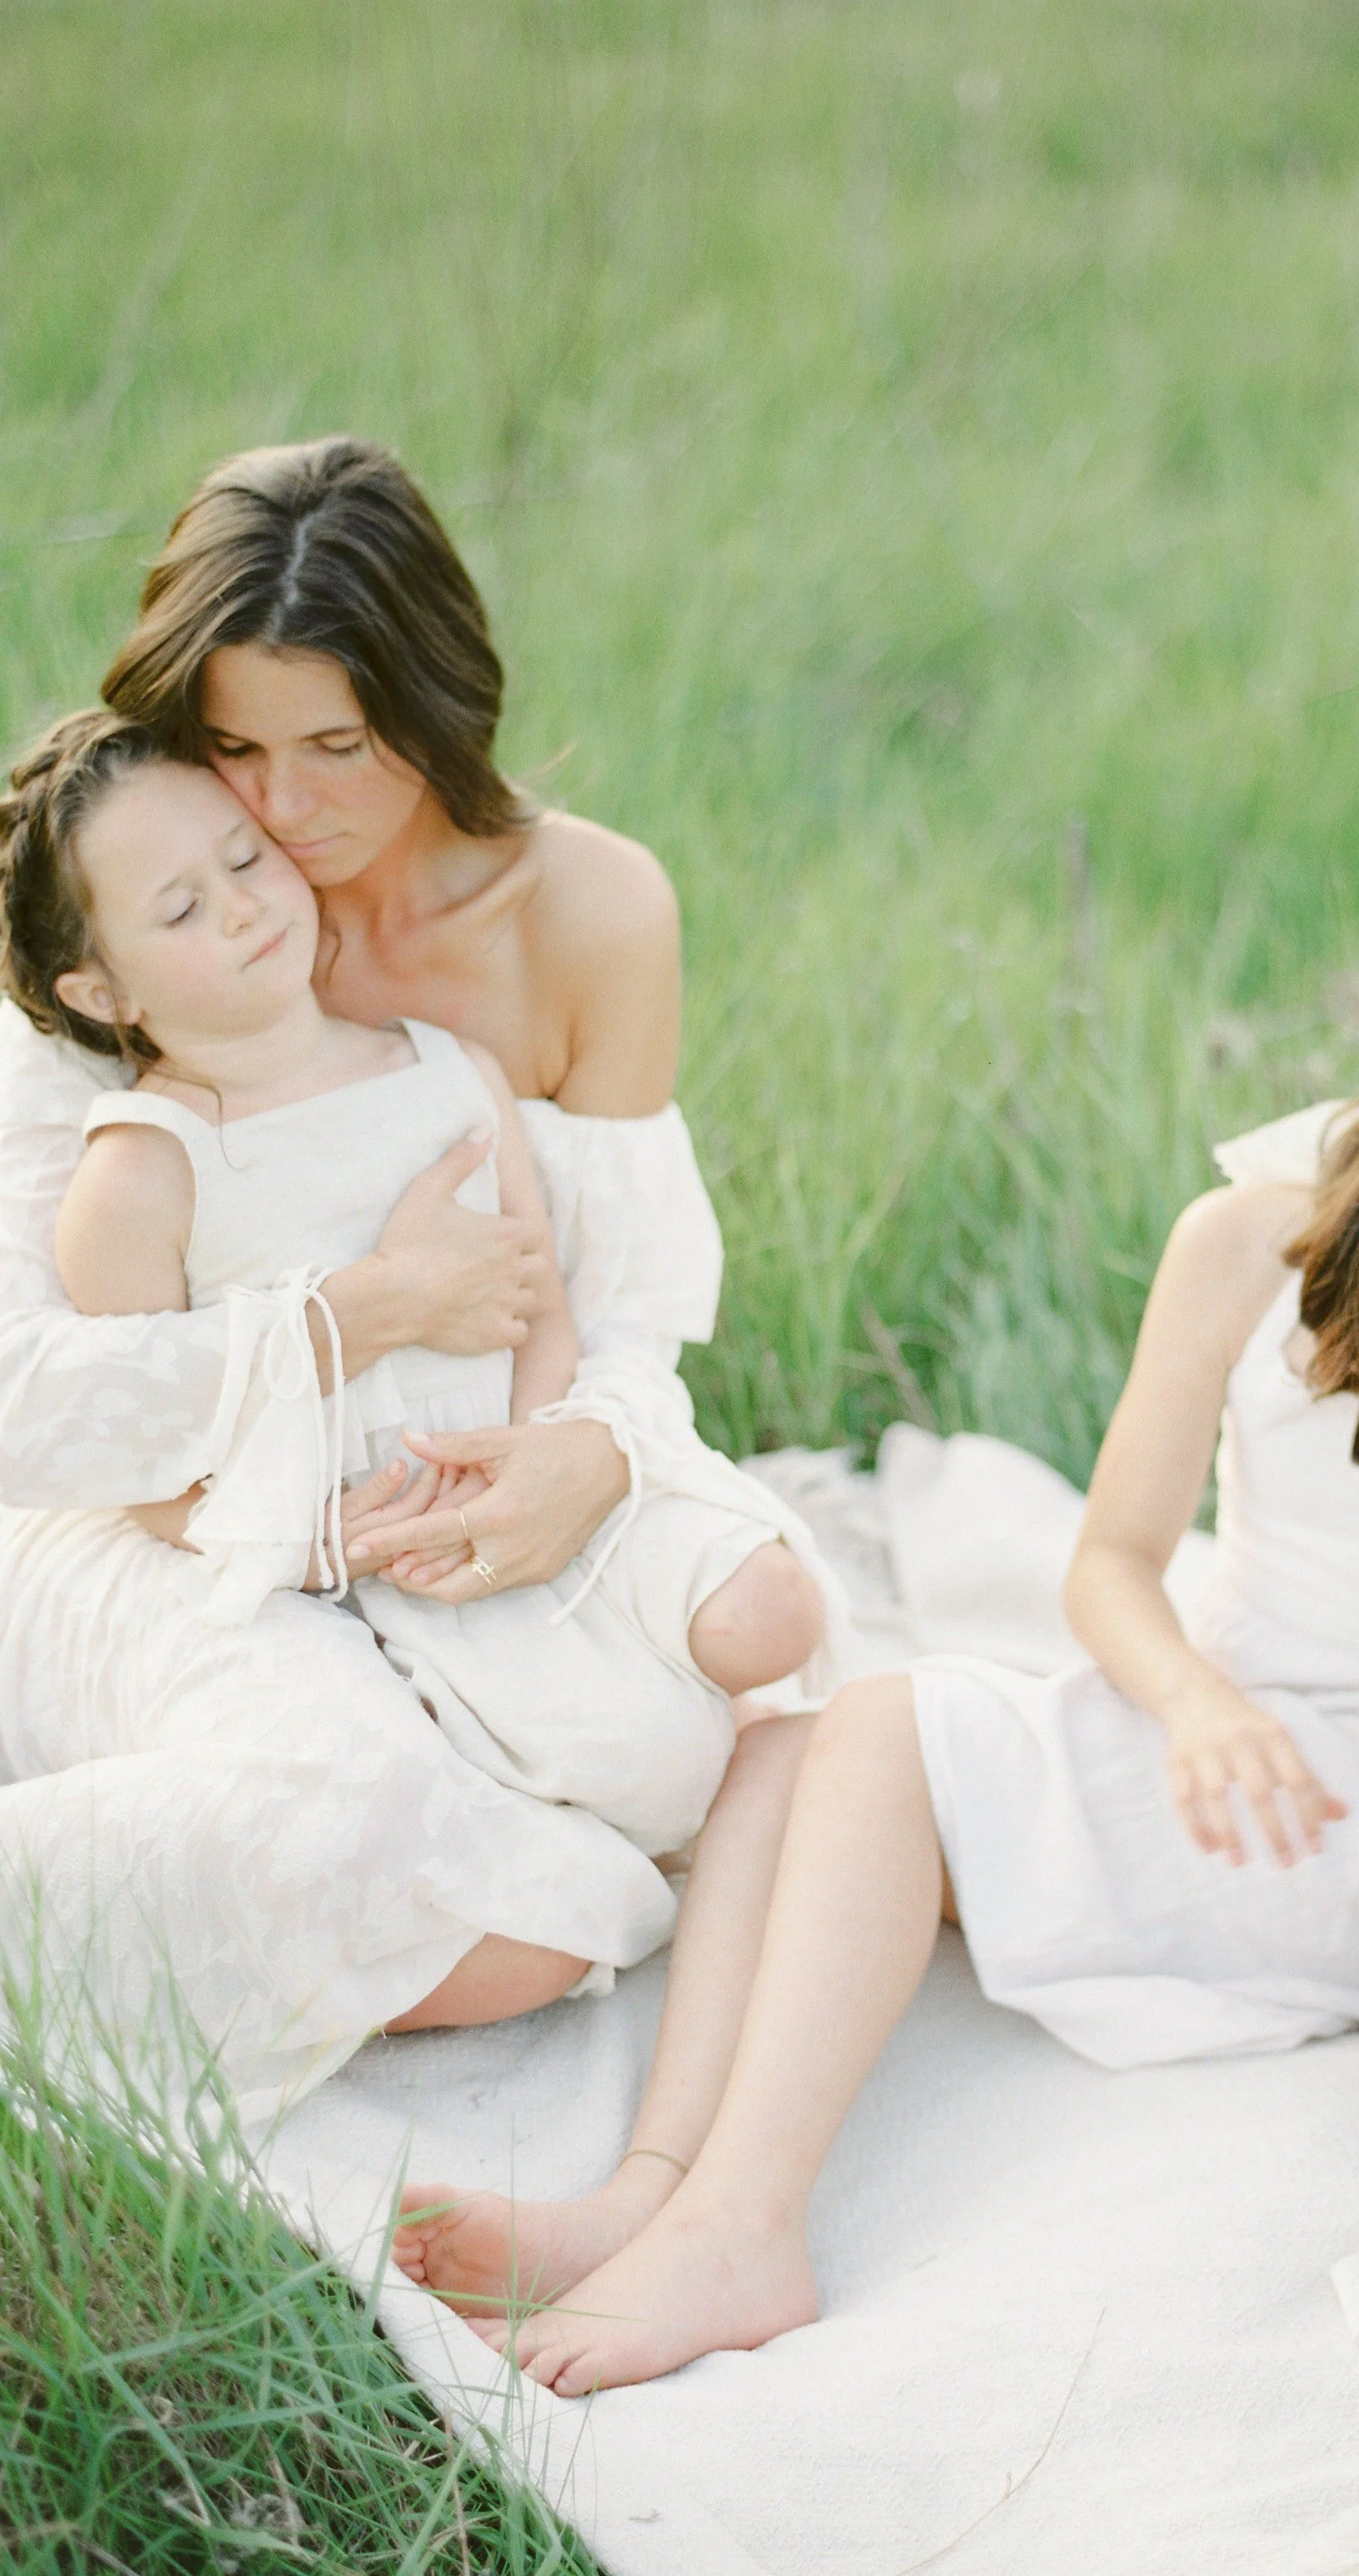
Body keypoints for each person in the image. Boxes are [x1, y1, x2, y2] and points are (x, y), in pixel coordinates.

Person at [394, 1025, 1359, 2394]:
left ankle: (749, 2226)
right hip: (1232, 1740)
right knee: (784, 1759)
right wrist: (1193, 1700)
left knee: (879, 1732)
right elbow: (1111, 1567)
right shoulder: (1244, 1252)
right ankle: (657, 2189)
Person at [0, 438, 812, 2117]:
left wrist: (589, 1449)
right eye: (233, 750)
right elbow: (56, 1400)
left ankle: (388, 1851)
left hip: (468, 1457)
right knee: (375, 1824)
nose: (281, 822)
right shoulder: (127, 910)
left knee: (716, 1694)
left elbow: (628, 1299)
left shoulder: (585, 911)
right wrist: (362, 1316)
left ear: (432, 703)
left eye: (336, 749)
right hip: (172, 1520)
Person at [3, 717, 831, 1859]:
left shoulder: (443, 1067)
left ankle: (679, 1726)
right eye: (183, 908)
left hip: (521, 1471)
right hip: (375, 1548)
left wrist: (538, 1449)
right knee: (638, 1765)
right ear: (101, 991)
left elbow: (543, 1298)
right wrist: (315, 1546)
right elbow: (149, 1461)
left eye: (245, 859)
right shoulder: (143, 1173)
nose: (242, 905)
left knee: (772, 1612)